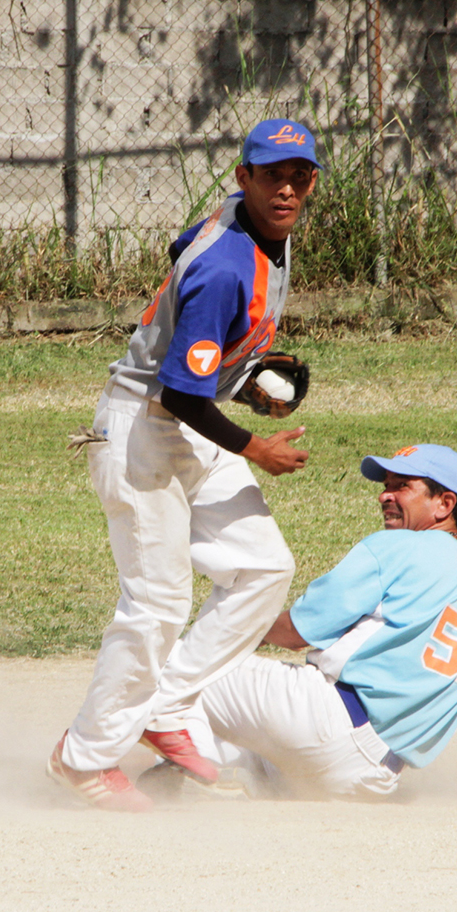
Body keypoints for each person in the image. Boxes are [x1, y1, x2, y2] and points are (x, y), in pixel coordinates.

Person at [47, 120, 322, 811]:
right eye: (270, 175)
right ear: (244, 178)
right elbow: (177, 391)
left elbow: (181, 262)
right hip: (141, 426)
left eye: (298, 176)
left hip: (184, 422)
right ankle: (83, 759)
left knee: (263, 567)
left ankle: (165, 707)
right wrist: (255, 445)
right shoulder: (227, 267)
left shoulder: (259, 232)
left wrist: (243, 376)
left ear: (312, 181)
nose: (285, 188)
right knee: (157, 601)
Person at [151, 444, 457, 808]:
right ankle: (209, 775)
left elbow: (295, 634)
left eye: (402, 487)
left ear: (445, 504)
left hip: (321, 721)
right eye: (385, 486)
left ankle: (101, 749)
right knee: (247, 759)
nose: (385, 495)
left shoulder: (397, 548)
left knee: (164, 666)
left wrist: (237, 615)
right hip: (370, 779)